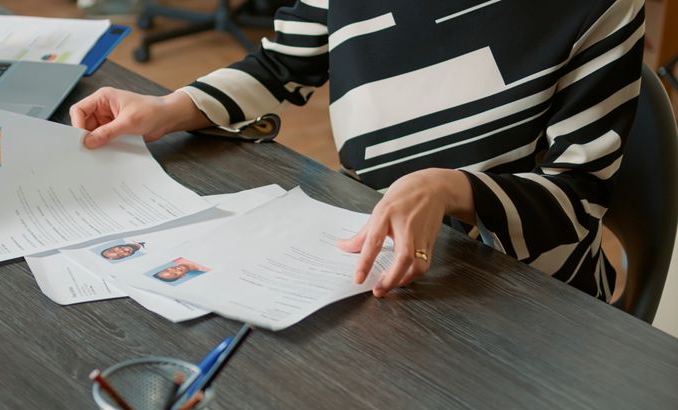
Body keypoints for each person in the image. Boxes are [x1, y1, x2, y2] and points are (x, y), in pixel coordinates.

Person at [70, 0, 644, 301]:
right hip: (369, 259)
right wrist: (170, 108)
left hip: (526, 293)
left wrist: (451, 188)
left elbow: (577, 197)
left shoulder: (600, 4)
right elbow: (279, 66)